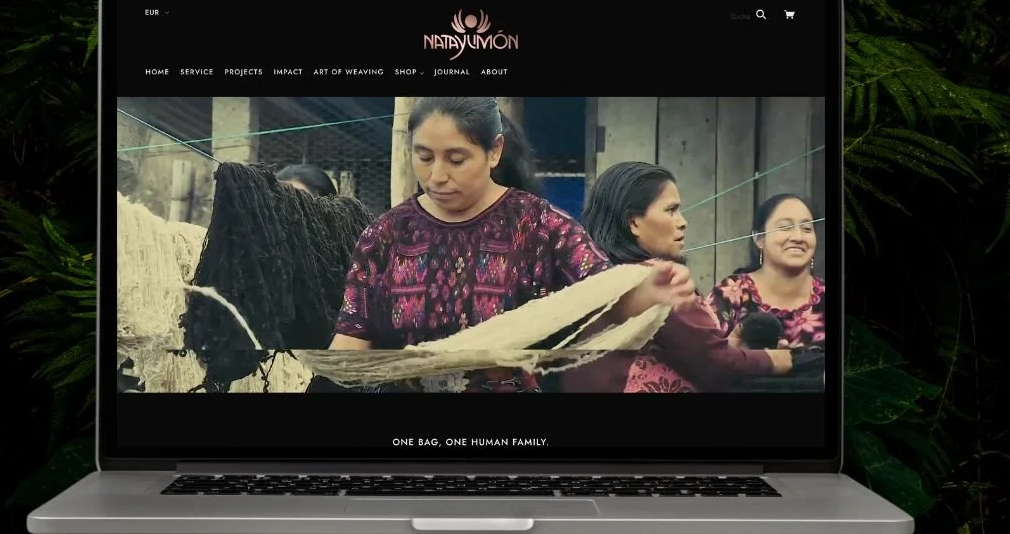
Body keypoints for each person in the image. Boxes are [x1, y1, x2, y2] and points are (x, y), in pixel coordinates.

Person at [328, 97, 698, 392]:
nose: (436, 175)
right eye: (424, 157)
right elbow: (351, 341)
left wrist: (646, 292)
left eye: (456, 159)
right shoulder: (386, 235)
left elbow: (602, 293)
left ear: (494, 151)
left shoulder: (539, 227)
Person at [569, 161, 792, 393]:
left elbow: (693, 357)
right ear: (634, 223)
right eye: (671, 210)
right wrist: (775, 360)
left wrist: (730, 352)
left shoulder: (604, 280)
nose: (683, 222)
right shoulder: (656, 281)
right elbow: (714, 366)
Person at [708, 193, 825, 348]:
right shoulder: (730, 294)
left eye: (807, 228)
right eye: (785, 227)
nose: (798, 237)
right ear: (758, 238)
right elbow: (701, 354)